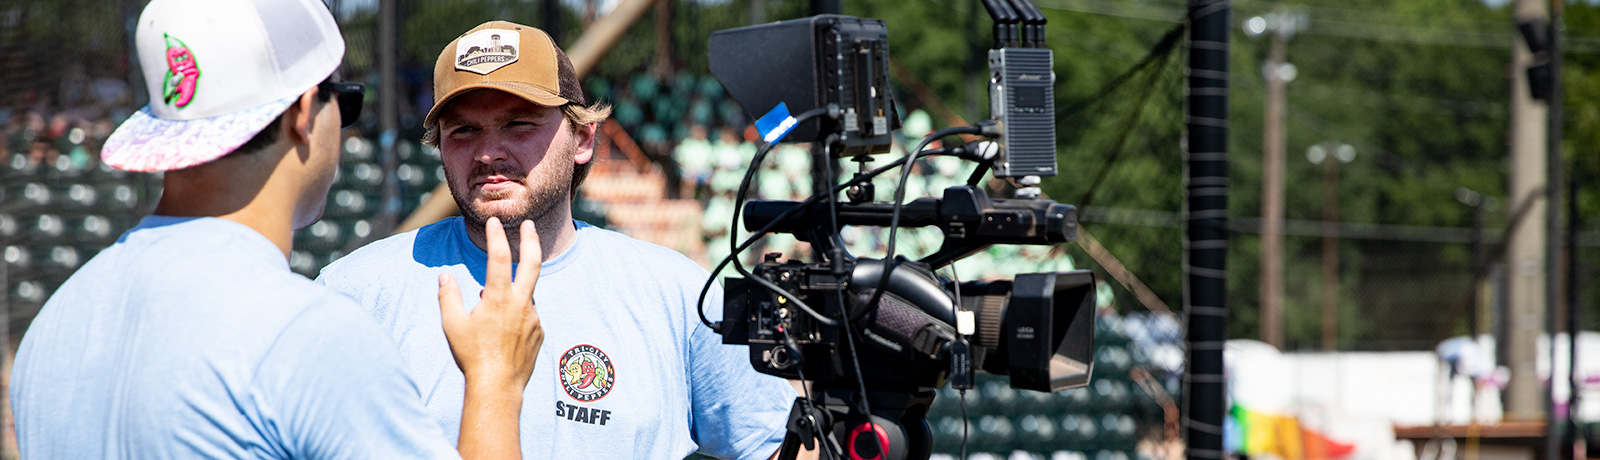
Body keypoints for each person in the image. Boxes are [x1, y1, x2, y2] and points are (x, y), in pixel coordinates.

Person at [9, 1, 543, 458]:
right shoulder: (309, 334)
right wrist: (496, 379)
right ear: (305, 112)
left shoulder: (55, 324)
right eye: (344, 101)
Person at [316, 21, 800, 459]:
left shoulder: (683, 293)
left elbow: (777, 446)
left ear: (583, 139)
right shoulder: (352, 294)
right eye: (463, 130)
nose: (488, 152)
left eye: (518, 124)